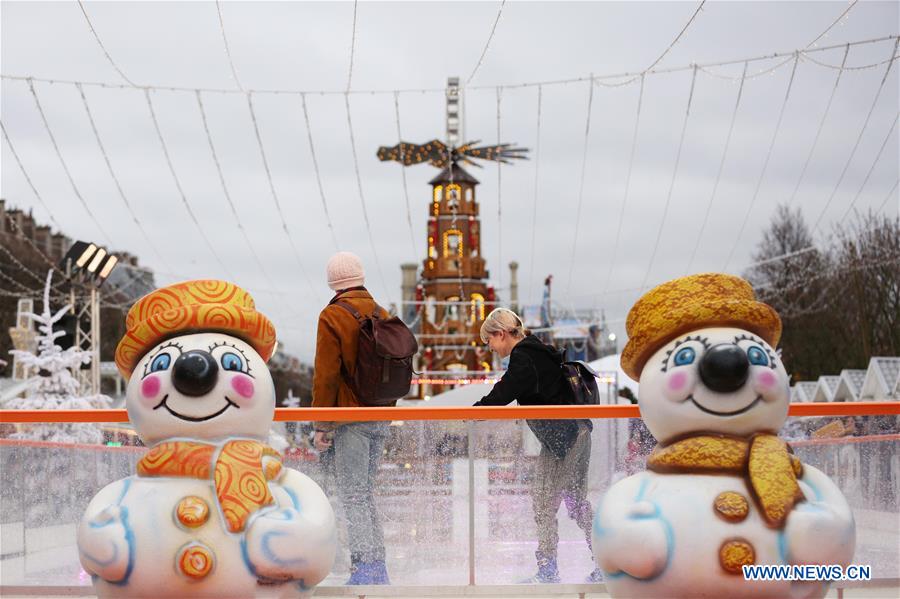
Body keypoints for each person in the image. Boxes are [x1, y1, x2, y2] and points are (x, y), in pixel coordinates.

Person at [473, 308, 601, 584]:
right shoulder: (535, 351)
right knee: (560, 502)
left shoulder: (525, 357)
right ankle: (570, 565)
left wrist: (473, 412)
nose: (491, 349)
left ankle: (568, 566)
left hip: (567, 438)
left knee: (559, 503)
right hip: (567, 436)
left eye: (490, 342)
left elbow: (503, 393)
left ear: (502, 334)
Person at [312, 251, 391, 585]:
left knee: (353, 495)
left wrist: (321, 425)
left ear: (333, 282)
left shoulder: (332, 316)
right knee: (366, 493)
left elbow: (326, 376)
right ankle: (378, 567)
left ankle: (364, 568)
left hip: (350, 417)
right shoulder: (382, 313)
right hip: (382, 414)